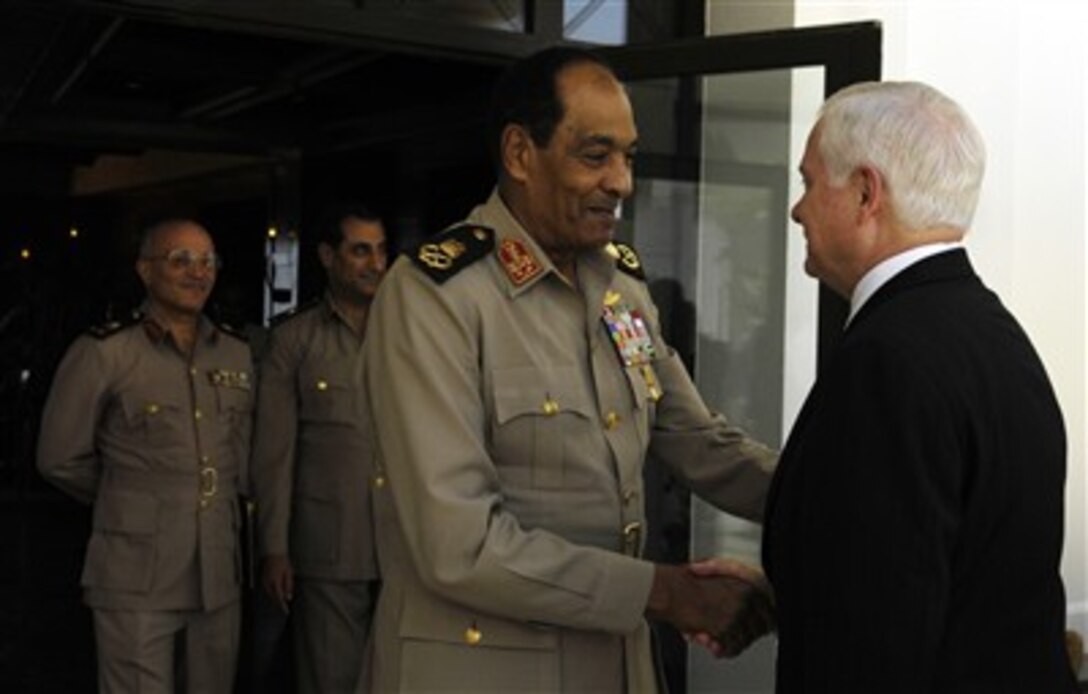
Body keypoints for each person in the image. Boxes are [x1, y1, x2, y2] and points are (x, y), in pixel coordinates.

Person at [362, 46, 778, 693]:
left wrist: (835, 497)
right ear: (520, 154)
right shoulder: (435, 298)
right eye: (595, 155)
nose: (622, 182)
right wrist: (667, 593)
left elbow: (700, 442)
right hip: (483, 673)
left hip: (612, 663)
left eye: (628, 157)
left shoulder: (621, 290)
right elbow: (459, 543)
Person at [760, 81, 1077, 691]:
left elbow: (871, 640)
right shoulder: (994, 334)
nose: (797, 210)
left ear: (865, 193)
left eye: (808, 182)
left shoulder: (886, 361)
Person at [37, 218, 253, 692]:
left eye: (207, 261)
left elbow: (241, 455)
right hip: (136, 570)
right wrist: (131, 496)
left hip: (218, 570)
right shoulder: (105, 352)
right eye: (180, 260)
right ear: (145, 270)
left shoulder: (236, 354)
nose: (198, 272)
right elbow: (58, 457)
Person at [250, 203, 388, 693]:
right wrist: (274, 548)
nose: (376, 264)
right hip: (331, 544)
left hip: (404, 543)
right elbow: (274, 455)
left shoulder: (408, 331)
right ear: (328, 256)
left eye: (381, 251)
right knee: (332, 679)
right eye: (360, 251)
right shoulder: (295, 339)